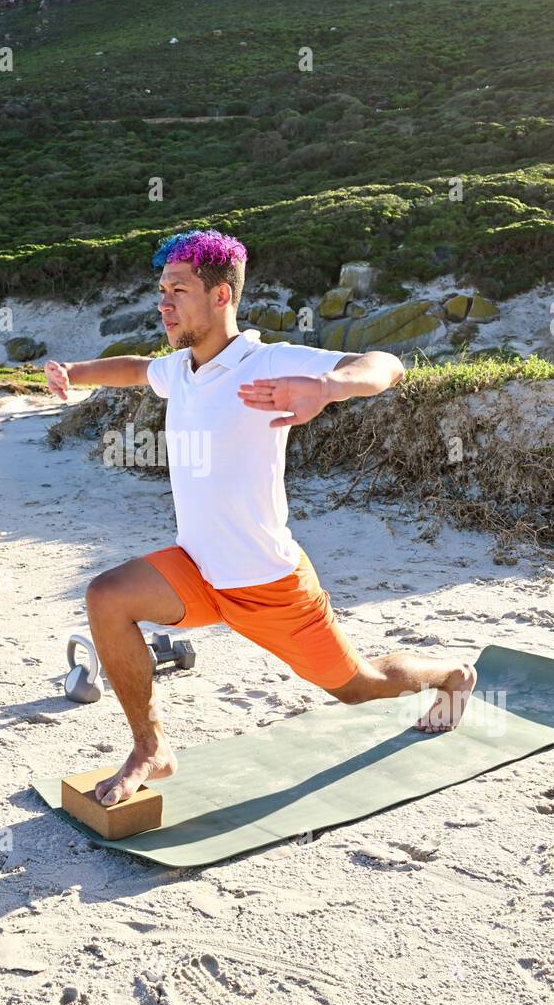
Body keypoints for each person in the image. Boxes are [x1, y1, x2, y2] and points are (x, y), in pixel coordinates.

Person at [45, 229, 476, 806]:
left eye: (178, 289)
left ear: (222, 296)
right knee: (107, 595)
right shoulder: (182, 370)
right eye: (161, 290)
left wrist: (327, 386)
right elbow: (136, 368)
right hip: (198, 571)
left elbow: (385, 364)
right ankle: (151, 749)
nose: (164, 303)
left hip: (267, 582)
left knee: (359, 686)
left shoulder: (266, 360)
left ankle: (451, 674)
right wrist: (76, 370)